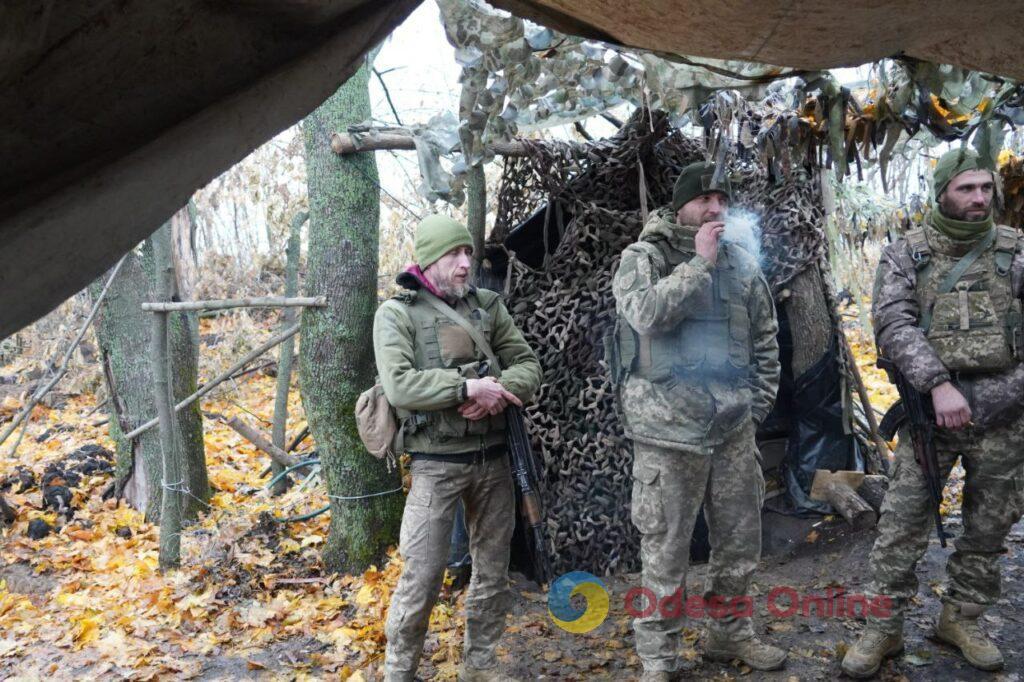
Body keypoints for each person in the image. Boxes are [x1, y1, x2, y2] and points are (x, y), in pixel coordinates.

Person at [842, 148, 1024, 678]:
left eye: (985, 188)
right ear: (943, 191)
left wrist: (996, 397)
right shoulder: (907, 254)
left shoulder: (1015, 251)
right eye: (967, 188)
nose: (980, 198)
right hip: (930, 414)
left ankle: (961, 618)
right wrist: (940, 386)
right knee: (901, 524)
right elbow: (893, 325)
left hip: (1006, 415)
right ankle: (883, 628)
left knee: (989, 528)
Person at [610, 161, 784, 680]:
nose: (715, 209)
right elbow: (643, 314)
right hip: (667, 435)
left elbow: (766, 341)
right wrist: (699, 265)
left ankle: (728, 636)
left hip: (732, 430)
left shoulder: (742, 265)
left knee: (738, 545)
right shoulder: (643, 258)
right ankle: (658, 658)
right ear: (681, 204)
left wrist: (754, 407)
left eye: (722, 201)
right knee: (665, 553)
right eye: (704, 199)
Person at [375, 214, 543, 682]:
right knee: (423, 577)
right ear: (429, 261)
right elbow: (401, 386)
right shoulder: (397, 313)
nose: (465, 263)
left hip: (494, 461)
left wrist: (499, 391)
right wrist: (470, 390)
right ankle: (399, 672)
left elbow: (528, 365)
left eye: (467, 252)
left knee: (492, 572)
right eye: (454, 254)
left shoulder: (487, 306)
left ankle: (481, 665)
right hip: (435, 464)